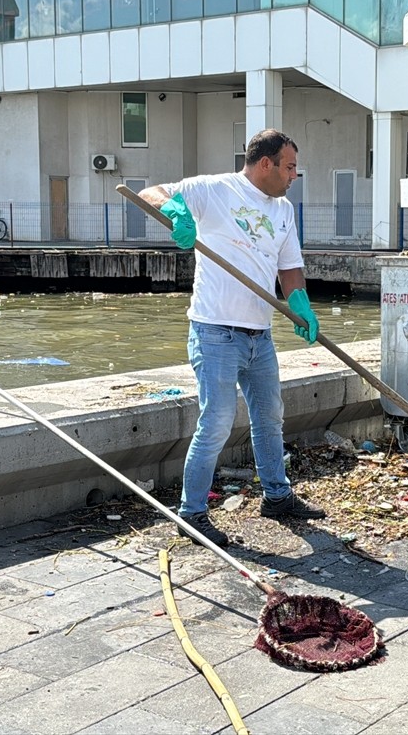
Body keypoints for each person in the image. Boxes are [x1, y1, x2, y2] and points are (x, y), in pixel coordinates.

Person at [138, 129, 326, 547]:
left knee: (269, 418)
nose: (295, 175)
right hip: (215, 331)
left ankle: (277, 497)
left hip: (260, 333)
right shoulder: (214, 190)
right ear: (266, 164)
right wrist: (177, 212)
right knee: (217, 422)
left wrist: (301, 304)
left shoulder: (282, 210)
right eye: (290, 167)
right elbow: (152, 192)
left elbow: (289, 265)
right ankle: (192, 512)